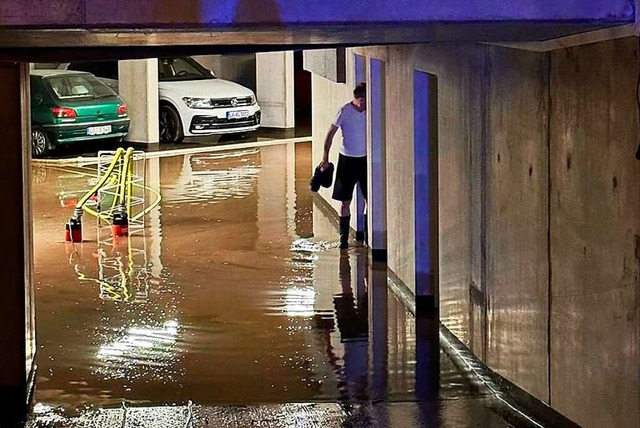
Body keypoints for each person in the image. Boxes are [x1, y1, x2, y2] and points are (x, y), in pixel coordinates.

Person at [319, 82, 367, 249]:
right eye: (364, 101)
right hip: (347, 160)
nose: (366, 105)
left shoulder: (371, 110)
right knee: (344, 201)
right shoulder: (344, 111)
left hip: (365, 160)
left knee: (370, 200)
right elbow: (330, 134)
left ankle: (367, 239)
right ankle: (343, 241)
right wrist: (325, 158)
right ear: (358, 99)